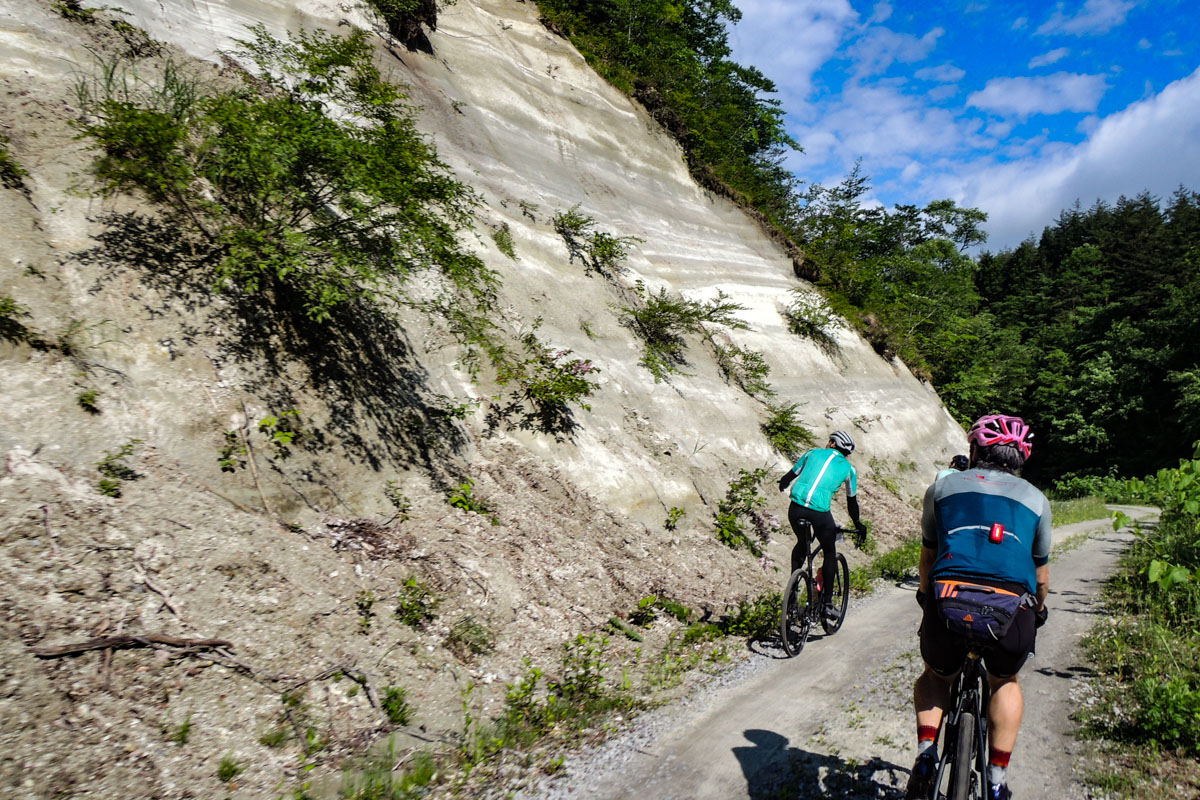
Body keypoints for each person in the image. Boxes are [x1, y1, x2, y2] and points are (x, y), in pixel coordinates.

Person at [905, 415, 1051, 800]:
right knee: (1004, 681)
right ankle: (997, 779)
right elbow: (1041, 578)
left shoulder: (943, 488)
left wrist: (925, 597)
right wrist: (1037, 610)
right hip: (1010, 613)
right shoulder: (1037, 500)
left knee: (937, 676)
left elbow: (928, 556)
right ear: (1021, 459)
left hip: (947, 603)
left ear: (974, 451)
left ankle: (925, 755)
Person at [777, 430, 867, 620]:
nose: (827, 444)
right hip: (819, 513)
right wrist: (858, 524)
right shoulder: (849, 469)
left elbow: (787, 478)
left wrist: (782, 486)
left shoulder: (811, 453)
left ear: (833, 444)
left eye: (829, 442)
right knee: (829, 552)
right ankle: (826, 604)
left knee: (802, 543)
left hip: (796, 508)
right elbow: (852, 502)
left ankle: (792, 592)